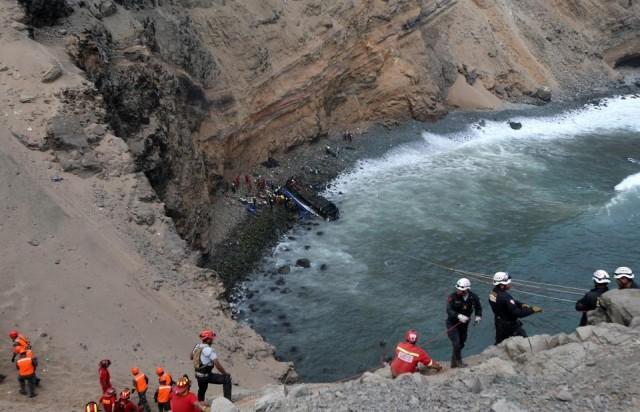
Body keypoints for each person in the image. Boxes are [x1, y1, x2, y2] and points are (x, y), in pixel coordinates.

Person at [488, 272, 542, 344]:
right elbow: (518, 313)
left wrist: (521, 304)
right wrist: (532, 310)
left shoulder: (493, 293)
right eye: (508, 283)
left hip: (499, 321)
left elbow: (507, 303)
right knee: (525, 340)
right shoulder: (505, 297)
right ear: (501, 285)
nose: (510, 284)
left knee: (499, 341)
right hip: (510, 326)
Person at [446, 278, 482, 368]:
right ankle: (459, 362)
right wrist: (458, 316)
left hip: (464, 324)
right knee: (456, 343)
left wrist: (478, 316)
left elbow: (478, 307)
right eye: (458, 289)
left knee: (462, 343)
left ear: (467, 289)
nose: (458, 291)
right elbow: (449, 310)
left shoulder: (474, 297)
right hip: (452, 323)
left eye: (461, 290)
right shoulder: (452, 297)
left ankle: (453, 362)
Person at [191, 329, 232, 401]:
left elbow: (191, 357)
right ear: (208, 340)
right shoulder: (209, 350)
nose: (212, 340)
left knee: (202, 390)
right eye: (211, 338)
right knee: (226, 379)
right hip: (206, 376)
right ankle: (227, 401)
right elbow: (217, 364)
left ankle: (200, 405)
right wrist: (225, 373)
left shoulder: (197, 346)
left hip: (198, 375)